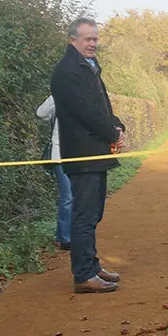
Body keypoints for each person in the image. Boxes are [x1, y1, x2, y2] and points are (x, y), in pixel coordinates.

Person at [49, 18, 125, 294]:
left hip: (94, 151)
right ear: (72, 40)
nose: (92, 43)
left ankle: (92, 266)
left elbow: (102, 106)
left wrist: (118, 126)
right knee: (84, 215)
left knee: (93, 213)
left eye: (95, 38)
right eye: (87, 39)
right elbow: (87, 112)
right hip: (82, 154)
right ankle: (83, 275)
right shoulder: (68, 72)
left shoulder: (88, 67)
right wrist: (111, 132)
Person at [35, 94, 71, 252]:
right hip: (59, 155)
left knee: (73, 196)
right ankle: (65, 237)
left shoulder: (81, 94)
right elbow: (41, 113)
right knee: (68, 196)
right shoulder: (58, 96)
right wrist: (55, 96)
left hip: (78, 155)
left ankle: (62, 235)